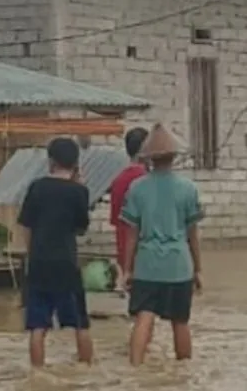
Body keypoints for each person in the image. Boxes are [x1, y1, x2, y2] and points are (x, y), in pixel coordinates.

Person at [120, 124, 204, 366]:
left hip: (147, 264)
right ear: (174, 156)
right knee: (180, 321)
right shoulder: (188, 189)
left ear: (149, 158)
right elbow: (192, 234)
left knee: (143, 318)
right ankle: (184, 371)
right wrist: (198, 269)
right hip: (179, 265)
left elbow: (131, 234)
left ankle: (135, 370)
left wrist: (127, 269)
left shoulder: (136, 188)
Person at [18, 136, 94, 368]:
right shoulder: (79, 192)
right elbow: (81, 229)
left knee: (38, 327)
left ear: (50, 160)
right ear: (76, 163)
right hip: (66, 264)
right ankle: (86, 369)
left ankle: (37, 372)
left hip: (40, 263)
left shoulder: (36, 188)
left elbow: (27, 227)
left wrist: (32, 256)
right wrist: (79, 186)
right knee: (80, 323)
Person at [109, 127, 149, 287]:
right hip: (147, 252)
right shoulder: (148, 181)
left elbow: (115, 219)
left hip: (124, 251)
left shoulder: (118, 181)